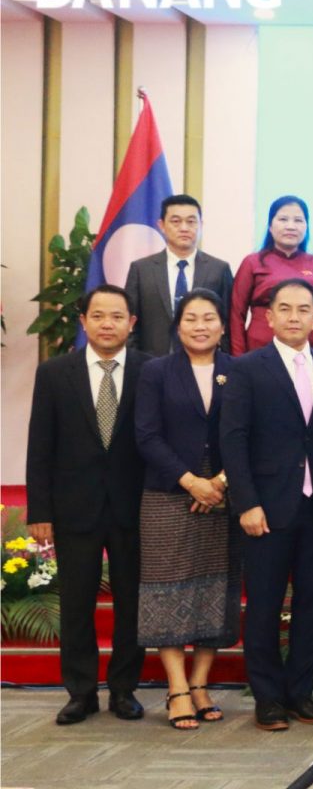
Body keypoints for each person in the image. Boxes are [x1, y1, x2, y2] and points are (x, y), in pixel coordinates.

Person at [220, 278, 313, 732]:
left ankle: (301, 693)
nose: (295, 317)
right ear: (269, 316)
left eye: (304, 309)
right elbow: (233, 440)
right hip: (267, 507)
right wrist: (246, 502)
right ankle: (268, 698)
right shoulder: (247, 368)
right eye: (286, 309)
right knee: (264, 605)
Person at [26, 285, 147, 725]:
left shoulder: (151, 370)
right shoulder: (55, 373)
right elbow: (40, 445)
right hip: (74, 507)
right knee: (77, 603)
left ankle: (124, 689)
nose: (107, 324)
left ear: (131, 323)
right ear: (83, 321)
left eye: (116, 316)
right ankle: (80, 692)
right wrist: (40, 511)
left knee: (132, 603)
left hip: (135, 507)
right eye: (98, 316)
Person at [133, 289, 239, 730]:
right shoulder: (156, 371)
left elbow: (251, 433)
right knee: (167, 590)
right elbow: (146, 434)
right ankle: (176, 687)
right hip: (168, 494)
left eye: (209, 317)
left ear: (223, 326)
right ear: (178, 326)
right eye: (191, 318)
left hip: (223, 495)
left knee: (215, 588)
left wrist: (219, 483)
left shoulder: (238, 370)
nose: (200, 326)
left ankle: (200, 683)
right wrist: (191, 481)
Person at [124, 194, 234, 355]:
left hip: (205, 361)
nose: (184, 228)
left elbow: (228, 324)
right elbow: (129, 322)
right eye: (176, 221)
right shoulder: (141, 269)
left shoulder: (218, 269)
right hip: (151, 362)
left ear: (201, 225)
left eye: (191, 221)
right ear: (161, 225)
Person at [230, 195, 313, 356]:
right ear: (270, 226)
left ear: (306, 226)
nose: (291, 226)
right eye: (283, 219)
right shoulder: (252, 262)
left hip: (306, 352)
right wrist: (238, 358)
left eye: (298, 220)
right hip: (259, 351)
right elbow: (236, 315)